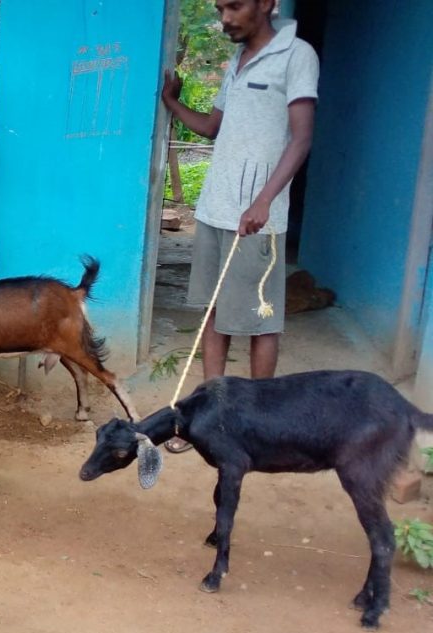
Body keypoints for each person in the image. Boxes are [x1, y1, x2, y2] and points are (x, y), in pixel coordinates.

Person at [161, 0, 317, 451]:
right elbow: (212, 127)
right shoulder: (237, 58)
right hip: (215, 209)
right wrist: (172, 101)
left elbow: (303, 135)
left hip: (258, 220)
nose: (225, 17)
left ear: (266, 3)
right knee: (214, 312)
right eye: (220, 8)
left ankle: (258, 423)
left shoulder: (297, 54)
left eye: (234, 6)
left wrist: (265, 201)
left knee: (259, 324)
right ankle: (213, 416)